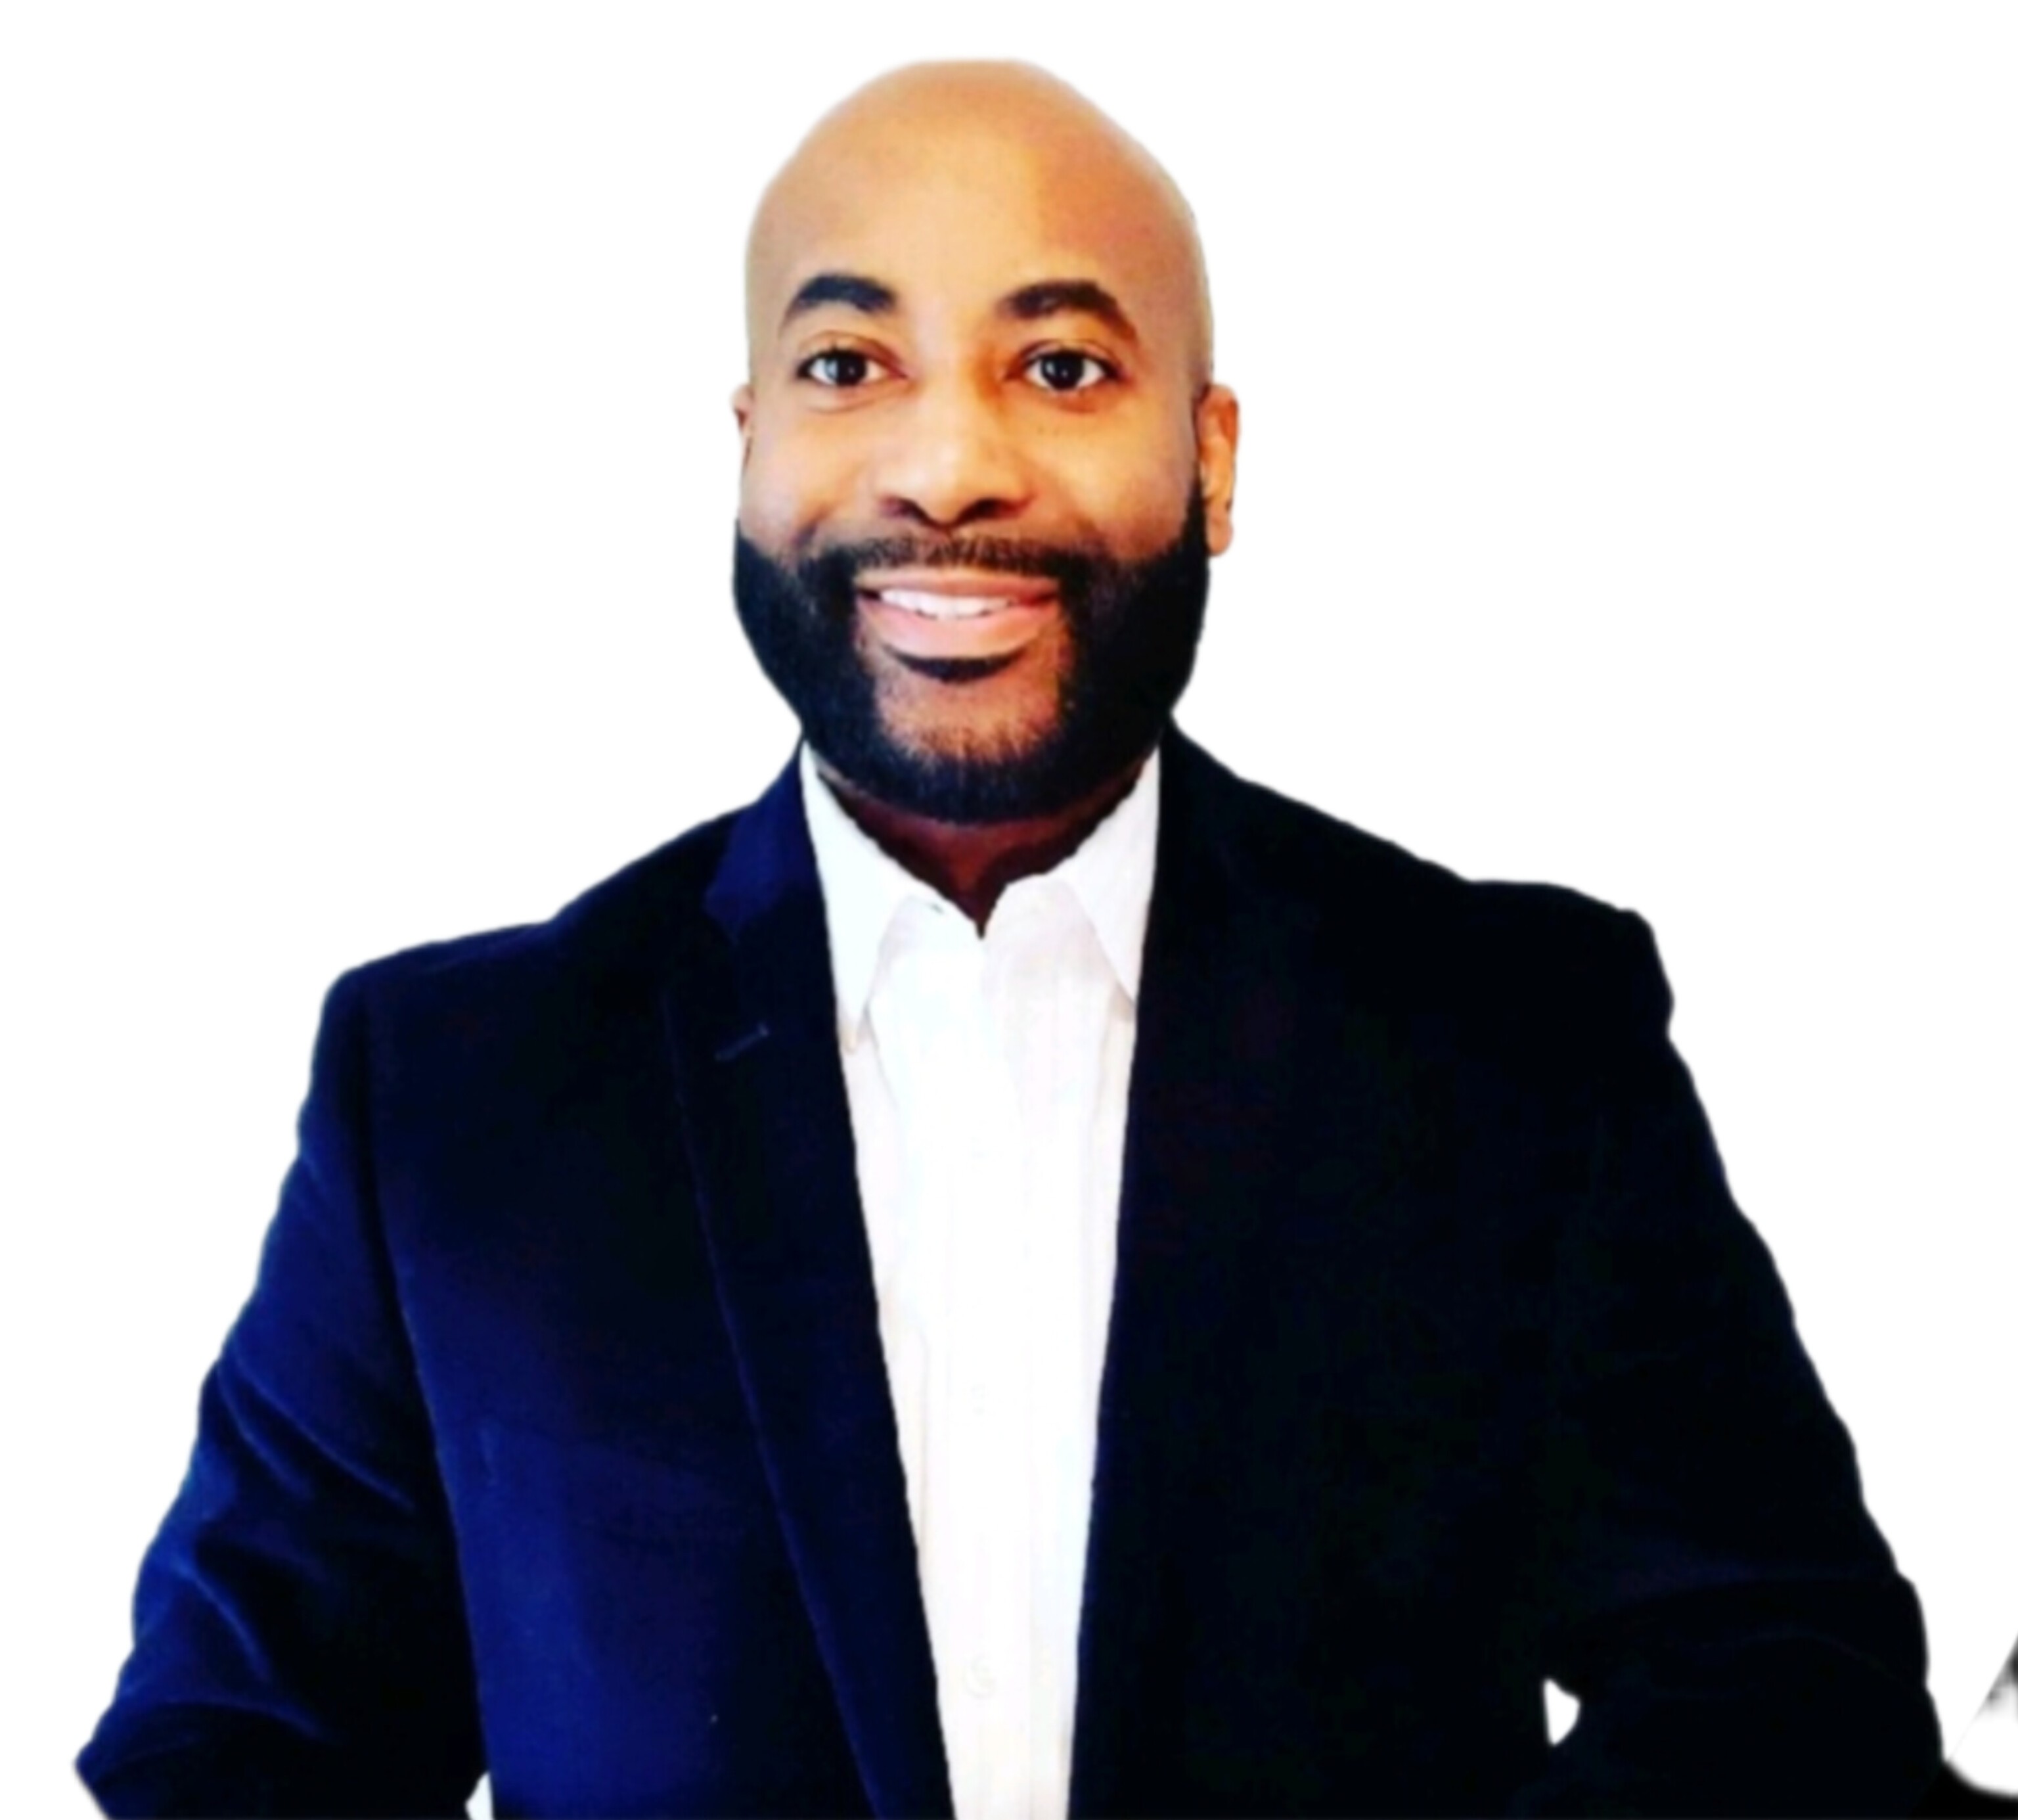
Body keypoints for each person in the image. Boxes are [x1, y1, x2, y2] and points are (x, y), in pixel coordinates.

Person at [78, 60, 1941, 1819]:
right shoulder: (455, 1099)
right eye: (848, 362)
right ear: (750, 445)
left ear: (1213, 456)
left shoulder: (1516, 1041)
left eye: (1059, 365)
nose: (949, 464)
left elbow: (1783, 1682)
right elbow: (239, 1752)